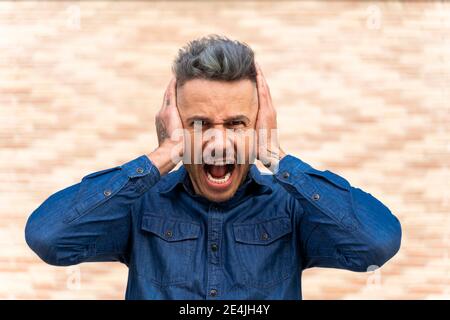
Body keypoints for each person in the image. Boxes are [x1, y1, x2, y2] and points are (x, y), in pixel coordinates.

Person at [25, 34, 401, 300]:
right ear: (174, 124)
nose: (218, 143)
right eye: (198, 123)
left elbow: (377, 243)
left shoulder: (289, 208)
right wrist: (163, 155)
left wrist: (277, 157)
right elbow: (49, 237)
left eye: (236, 124)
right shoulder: (140, 204)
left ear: (258, 125)